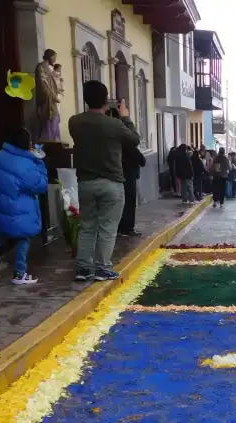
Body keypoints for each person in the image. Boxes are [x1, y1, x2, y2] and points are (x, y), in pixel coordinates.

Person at [68, 80, 141, 282]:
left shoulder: (74, 122)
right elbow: (135, 139)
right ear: (106, 100)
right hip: (111, 182)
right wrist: (125, 117)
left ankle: (83, 268)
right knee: (108, 227)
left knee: (87, 226)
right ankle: (102, 268)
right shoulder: (114, 124)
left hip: (85, 182)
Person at [0, 128, 48, 285]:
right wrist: (39, 160)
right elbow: (41, 185)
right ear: (25, 143)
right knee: (24, 236)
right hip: (19, 208)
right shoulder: (25, 163)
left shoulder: (0, 156)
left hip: (1, 206)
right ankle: (20, 273)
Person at [116, 108, 147, 237]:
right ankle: (127, 228)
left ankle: (120, 228)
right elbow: (141, 159)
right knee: (129, 203)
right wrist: (126, 118)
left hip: (116, 175)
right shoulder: (127, 143)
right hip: (128, 176)